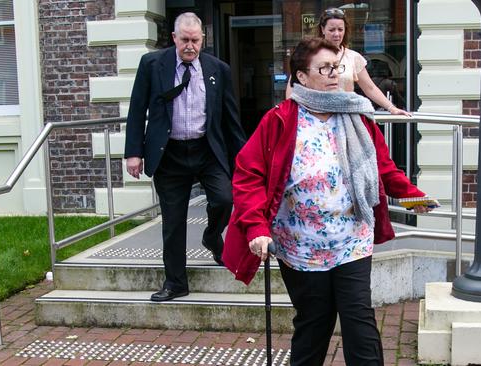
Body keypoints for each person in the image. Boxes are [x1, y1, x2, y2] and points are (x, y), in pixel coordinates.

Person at [223, 38, 433, 365]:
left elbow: (382, 167)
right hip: (300, 245)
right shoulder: (279, 120)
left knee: (359, 319)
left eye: (336, 67)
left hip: (352, 238)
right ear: (302, 77)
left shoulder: (355, 115)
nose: (334, 74)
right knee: (313, 322)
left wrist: (410, 196)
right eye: (324, 68)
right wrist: (256, 228)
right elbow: (248, 175)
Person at [124, 12, 246, 302]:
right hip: (170, 153)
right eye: (185, 40)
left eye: (195, 40)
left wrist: (244, 159)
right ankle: (175, 282)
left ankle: (212, 238)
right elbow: (137, 108)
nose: (190, 46)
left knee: (224, 199)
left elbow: (231, 119)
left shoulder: (218, 69)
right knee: (174, 220)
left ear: (203, 39)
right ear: (174, 38)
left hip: (207, 150)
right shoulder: (152, 64)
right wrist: (133, 153)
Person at [286, 7, 412, 117]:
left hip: (345, 117)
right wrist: (291, 114)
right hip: (315, 116)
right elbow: (293, 86)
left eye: (340, 29)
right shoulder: (309, 55)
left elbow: (370, 88)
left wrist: (391, 108)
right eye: (332, 30)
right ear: (322, 29)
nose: (337, 34)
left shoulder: (353, 57)